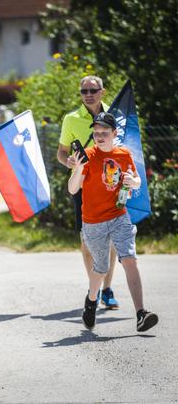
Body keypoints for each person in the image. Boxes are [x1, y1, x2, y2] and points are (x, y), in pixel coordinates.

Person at [68, 112, 158, 332]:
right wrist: (78, 168)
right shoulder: (88, 156)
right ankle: (91, 301)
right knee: (101, 267)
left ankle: (141, 313)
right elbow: (72, 189)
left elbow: (136, 181)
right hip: (93, 221)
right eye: (96, 132)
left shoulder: (123, 154)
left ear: (114, 133)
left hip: (119, 216)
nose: (99, 136)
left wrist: (132, 181)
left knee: (129, 259)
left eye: (104, 133)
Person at [57, 76, 119, 309]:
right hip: (83, 185)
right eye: (84, 91)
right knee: (86, 242)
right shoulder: (71, 119)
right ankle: (93, 286)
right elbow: (61, 153)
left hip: (110, 184)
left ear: (102, 91)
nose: (88, 94)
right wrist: (70, 162)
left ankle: (107, 289)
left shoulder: (116, 113)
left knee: (110, 240)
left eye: (93, 90)